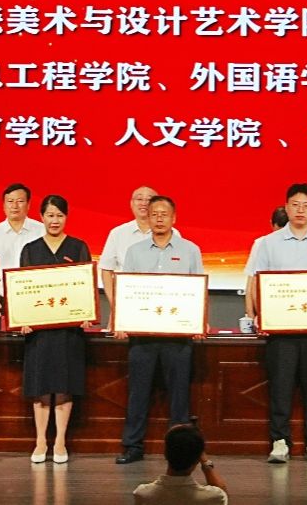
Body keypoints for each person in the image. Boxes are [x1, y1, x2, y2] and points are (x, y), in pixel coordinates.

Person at [248, 183, 307, 465]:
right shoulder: (269, 243)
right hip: (281, 330)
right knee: (280, 387)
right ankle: (280, 441)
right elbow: (257, 281)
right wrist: (258, 314)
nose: (300, 210)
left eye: (306, 205)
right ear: (286, 207)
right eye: (295, 204)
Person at [115, 195, 205, 464]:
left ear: (174, 218)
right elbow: (127, 289)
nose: (159, 218)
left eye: (164, 214)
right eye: (154, 214)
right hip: (142, 336)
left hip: (178, 337)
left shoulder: (190, 250)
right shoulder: (135, 251)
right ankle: (133, 446)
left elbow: (199, 288)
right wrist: (121, 321)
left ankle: (180, 451)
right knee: (138, 392)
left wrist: (199, 321)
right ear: (148, 217)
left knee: (179, 396)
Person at [18, 194, 92, 464]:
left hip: (68, 331)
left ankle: (60, 441)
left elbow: (85, 287)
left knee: (63, 385)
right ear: (41, 217)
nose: (54, 220)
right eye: (50, 215)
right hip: (39, 332)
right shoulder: (30, 249)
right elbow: (22, 289)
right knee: (41, 387)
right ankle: (40, 441)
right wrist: (22, 318)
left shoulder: (78, 247)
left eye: (59, 215)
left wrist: (86, 314)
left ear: (66, 217)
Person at [132, 423, 229, 505]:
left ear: (165, 454)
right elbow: (222, 493)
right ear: (198, 459)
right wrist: (206, 463)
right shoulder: (213, 496)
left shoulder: (142, 493)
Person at [98, 185, 161, 307]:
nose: (144, 203)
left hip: (161, 301)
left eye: (149, 199)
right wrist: (115, 304)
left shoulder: (172, 234)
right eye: (139, 199)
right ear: (131, 204)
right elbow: (106, 269)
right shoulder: (118, 233)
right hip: (127, 300)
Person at [0, 182, 44, 274]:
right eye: (10, 201)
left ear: (28, 205)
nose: (14, 206)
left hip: (33, 282)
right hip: (2, 283)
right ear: (4, 205)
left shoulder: (42, 231)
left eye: (20, 201)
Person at [243, 206, 289, 320]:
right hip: (266, 306)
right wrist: (250, 315)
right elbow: (251, 282)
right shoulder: (261, 243)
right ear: (271, 224)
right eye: (278, 232)